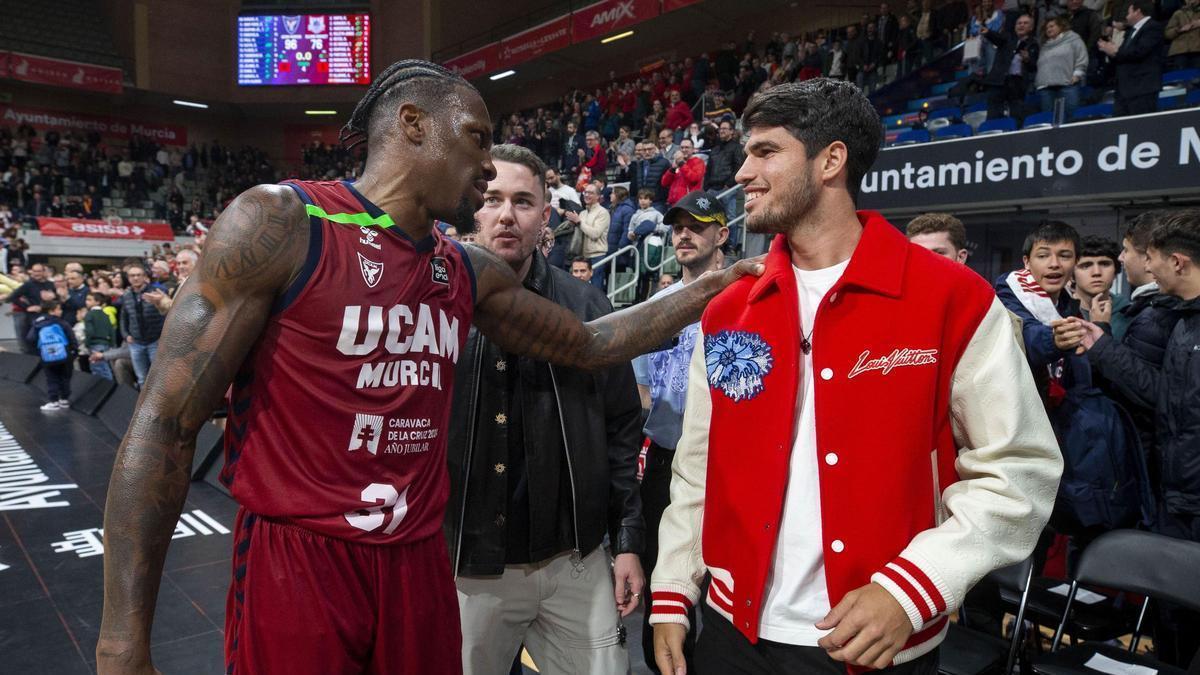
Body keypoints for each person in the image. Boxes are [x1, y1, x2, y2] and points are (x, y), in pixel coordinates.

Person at [96, 59, 761, 675]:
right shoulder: (283, 220)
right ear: (412, 123)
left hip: (420, 562)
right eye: (476, 137)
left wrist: (707, 289)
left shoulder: (463, 268)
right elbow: (162, 424)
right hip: (301, 555)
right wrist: (123, 639)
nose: (485, 167)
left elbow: (589, 344)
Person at [650, 80, 1061, 674]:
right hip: (729, 631)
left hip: (876, 639)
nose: (741, 172)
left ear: (831, 161)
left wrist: (912, 588)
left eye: (766, 152)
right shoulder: (728, 308)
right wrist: (674, 586)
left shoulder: (953, 298)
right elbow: (699, 468)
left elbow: (1019, 470)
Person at [446, 144, 644, 674]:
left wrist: (626, 540)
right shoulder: (437, 305)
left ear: (545, 216)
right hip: (470, 564)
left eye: (523, 201)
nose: (506, 214)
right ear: (475, 209)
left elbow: (623, 424)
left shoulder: (585, 304)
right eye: (492, 199)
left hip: (573, 560)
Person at [1055, 210, 1200, 667]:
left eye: (1147, 256)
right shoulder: (1182, 321)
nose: (1144, 267)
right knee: (1173, 619)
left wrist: (1104, 350)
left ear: (1177, 261)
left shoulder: (1173, 320)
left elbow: (1162, 401)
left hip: (1187, 496)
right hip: (1172, 492)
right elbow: (1171, 402)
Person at [632, 190, 729, 674]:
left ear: (722, 234)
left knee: (719, 583)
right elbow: (643, 390)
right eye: (677, 227)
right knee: (660, 571)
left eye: (697, 225)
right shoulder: (659, 304)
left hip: (727, 464)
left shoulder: (742, 297)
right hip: (667, 461)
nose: (684, 235)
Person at [1098, 0, 1164, 117]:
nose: (1126, 17)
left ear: (1137, 12)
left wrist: (1116, 51)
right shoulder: (1131, 32)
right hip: (1124, 90)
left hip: (1142, 88)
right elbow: (1122, 56)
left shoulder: (1153, 27)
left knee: (1141, 128)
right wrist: (1110, 51)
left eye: (1128, 13)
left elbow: (1140, 52)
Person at [980, 14, 1039, 121]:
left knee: (1017, 115)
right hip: (998, 81)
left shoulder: (1034, 44)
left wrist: (1028, 59)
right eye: (1019, 23)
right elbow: (997, 38)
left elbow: (1034, 67)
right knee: (994, 116)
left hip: (1017, 84)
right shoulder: (1007, 38)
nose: (1021, 25)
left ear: (1031, 27)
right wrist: (988, 33)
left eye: (1025, 23)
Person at [118, 264, 166, 387]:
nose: (135, 278)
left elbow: (165, 314)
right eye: (132, 275)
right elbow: (123, 317)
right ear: (128, 278)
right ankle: (144, 406)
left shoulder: (156, 292)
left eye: (139, 275)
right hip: (136, 342)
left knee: (158, 377)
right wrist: (125, 335)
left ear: (144, 277)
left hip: (155, 340)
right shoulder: (126, 295)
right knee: (142, 378)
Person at [29, 299, 77, 411]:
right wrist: (74, 351)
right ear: (52, 310)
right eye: (59, 309)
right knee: (65, 377)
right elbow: (72, 337)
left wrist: (39, 351)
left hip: (47, 356)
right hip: (65, 355)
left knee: (52, 378)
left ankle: (54, 401)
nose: (61, 311)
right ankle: (64, 400)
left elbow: (30, 338)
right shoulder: (62, 323)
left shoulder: (38, 323)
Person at [1036, 17, 1088, 120]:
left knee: (1072, 117)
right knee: (1049, 120)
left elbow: (1081, 56)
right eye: (1046, 28)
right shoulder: (1045, 46)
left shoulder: (1073, 38)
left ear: (1061, 26)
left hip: (1068, 84)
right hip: (1046, 88)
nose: (1049, 29)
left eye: (1052, 26)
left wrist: (1077, 74)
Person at [1073, 236, 1128, 328]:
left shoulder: (1130, 314)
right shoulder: (1058, 311)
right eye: (1086, 266)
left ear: (1116, 271)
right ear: (1071, 274)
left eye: (1105, 264)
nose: (1096, 272)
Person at [8, 261, 54, 355]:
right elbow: (12, 297)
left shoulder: (51, 284)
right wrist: (27, 307)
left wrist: (50, 300)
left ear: (44, 271)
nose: (37, 273)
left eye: (39, 271)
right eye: (34, 271)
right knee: (30, 345)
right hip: (33, 319)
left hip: (48, 317)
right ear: (31, 272)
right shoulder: (28, 284)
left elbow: (57, 300)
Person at [84, 291, 118, 381]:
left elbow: (89, 331)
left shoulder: (89, 314)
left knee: (98, 369)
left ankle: (106, 389)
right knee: (106, 367)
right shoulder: (105, 315)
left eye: (89, 300)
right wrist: (112, 344)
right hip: (106, 344)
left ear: (98, 302)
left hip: (95, 344)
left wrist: (87, 343)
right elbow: (112, 331)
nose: (86, 302)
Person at [661, 139, 705, 207]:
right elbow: (664, 183)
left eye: (687, 147)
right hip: (673, 204)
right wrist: (672, 169)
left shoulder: (698, 162)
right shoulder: (676, 162)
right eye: (682, 147)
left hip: (688, 204)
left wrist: (682, 164)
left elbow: (694, 178)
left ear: (693, 149)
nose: (684, 150)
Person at [1165, 0, 1200, 71]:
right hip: (1180, 52)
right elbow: (1167, 34)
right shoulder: (1178, 13)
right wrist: (1180, 29)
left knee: (1196, 77)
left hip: (1197, 51)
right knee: (1180, 78)